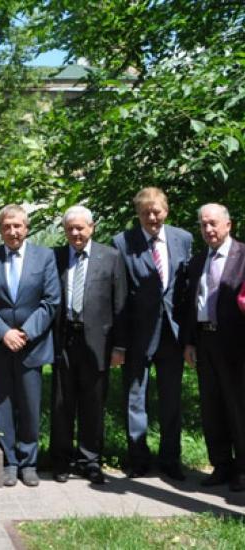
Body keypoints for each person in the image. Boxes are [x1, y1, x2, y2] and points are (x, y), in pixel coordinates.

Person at [0, 204, 60, 487]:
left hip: (31, 345)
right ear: (0, 229)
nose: (12, 231)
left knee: (30, 405)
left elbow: (51, 301)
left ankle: (29, 462)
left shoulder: (44, 257)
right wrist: (3, 333)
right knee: (3, 405)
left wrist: (24, 333)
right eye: (7, 226)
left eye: (17, 226)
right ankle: (9, 462)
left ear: (27, 227)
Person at [112, 187, 192, 480]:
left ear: (166, 211)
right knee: (135, 399)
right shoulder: (122, 242)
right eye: (145, 212)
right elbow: (119, 297)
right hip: (137, 336)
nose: (151, 217)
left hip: (173, 335)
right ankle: (139, 460)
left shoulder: (183, 239)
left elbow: (187, 289)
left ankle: (171, 460)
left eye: (156, 211)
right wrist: (119, 344)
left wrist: (190, 338)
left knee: (172, 399)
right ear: (138, 214)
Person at [50, 206, 127, 484]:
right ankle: (61, 459)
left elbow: (120, 305)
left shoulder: (111, 257)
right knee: (61, 402)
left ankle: (90, 460)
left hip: (98, 343)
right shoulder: (56, 257)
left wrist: (120, 347)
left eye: (80, 228)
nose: (75, 233)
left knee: (93, 403)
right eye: (70, 228)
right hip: (64, 339)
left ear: (92, 227)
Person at [181, 203, 245, 491]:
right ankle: (221, 464)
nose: (208, 229)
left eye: (213, 223)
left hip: (236, 344)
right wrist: (190, 342)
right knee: (212, 407)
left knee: (238, 406)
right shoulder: (196, 262)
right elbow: (189, 305)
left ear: (228, 225)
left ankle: (242, 469)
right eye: (203, 224)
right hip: (205, 341)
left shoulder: (243, 256)